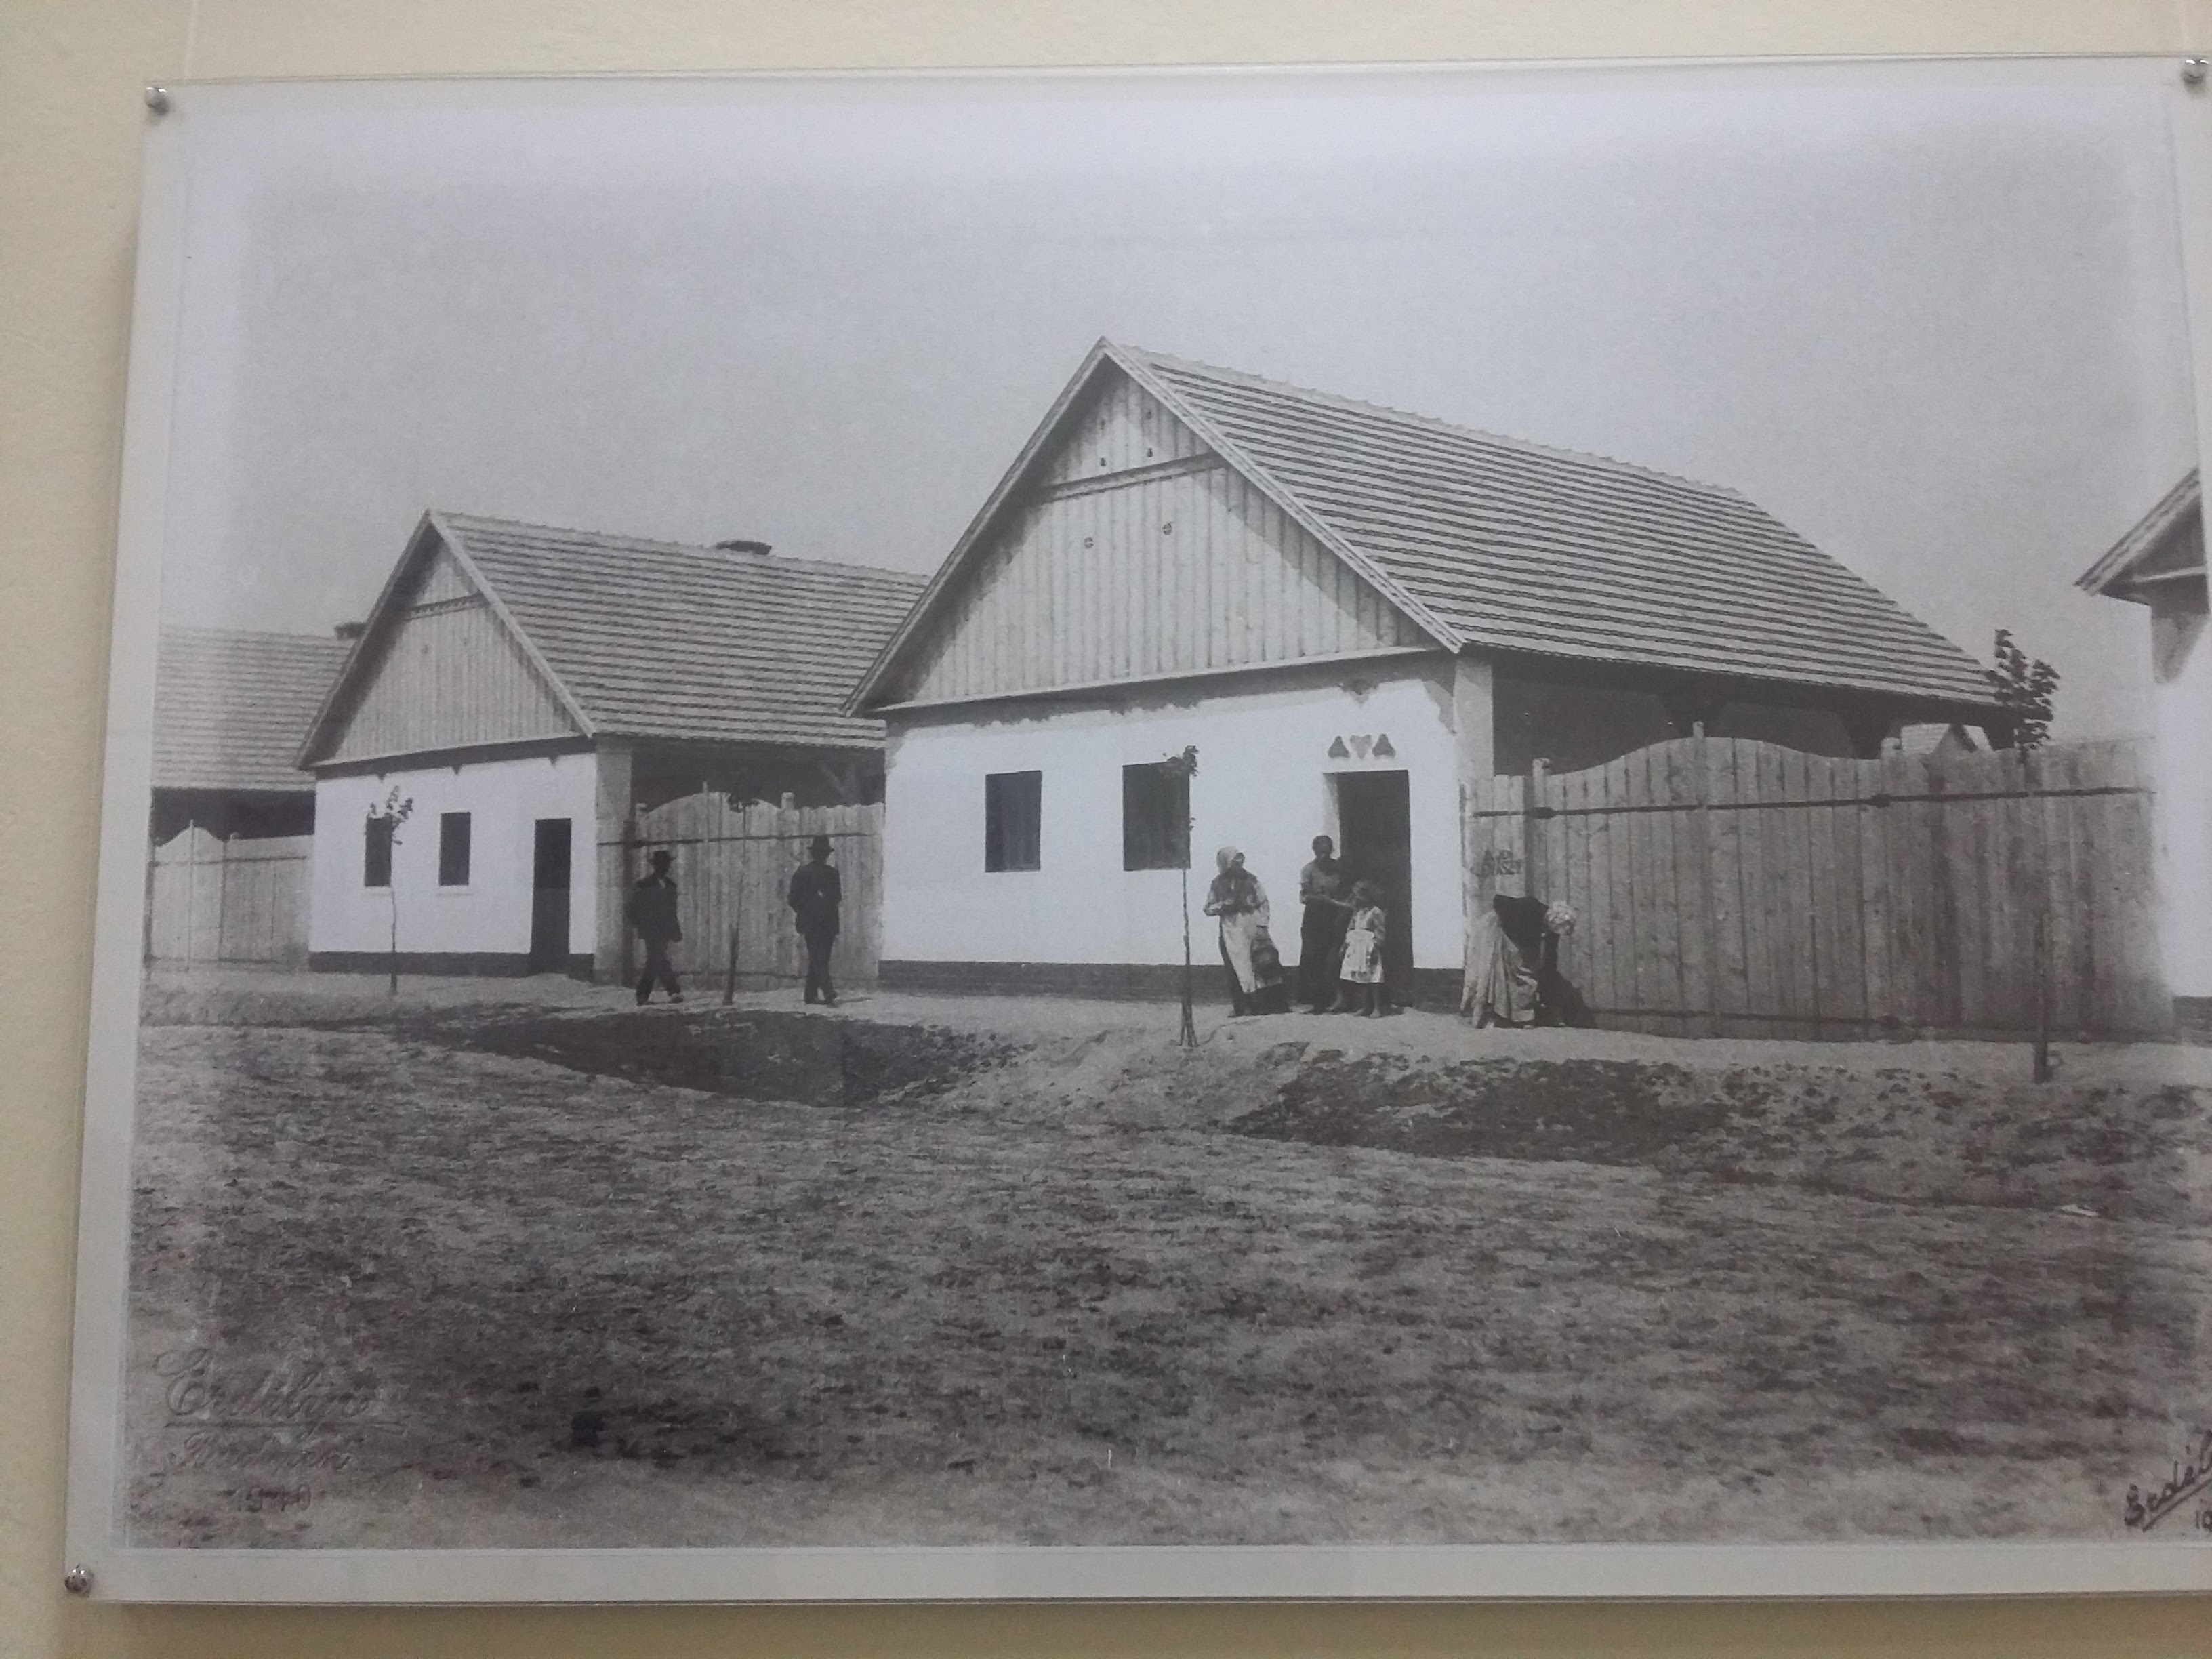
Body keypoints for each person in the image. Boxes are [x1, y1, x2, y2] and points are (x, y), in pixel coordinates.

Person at [1465, 893, 1591, 1027]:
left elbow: (1550, 960)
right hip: (1499, 932)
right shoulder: (1530, 908)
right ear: (1553, 919)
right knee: (1499, 975)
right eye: (1556, 927)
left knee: (1526, 977)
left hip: (1518, 945)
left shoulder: (1552, 932)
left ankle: (1519, 1018)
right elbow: (1499, 901)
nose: (1556, 931)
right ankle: (1492, 1016)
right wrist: (1524, 944)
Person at [1204, 846, 1288, 1016]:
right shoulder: (1217, 883)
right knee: (1237, 967)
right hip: (1230, 928)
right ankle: (1243, 1006)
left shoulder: (1251, 880)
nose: (1238, 865)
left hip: (1251, 924)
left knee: (1261, 963)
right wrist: (1223, 906)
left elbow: (1263, 903)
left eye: (1240, 862)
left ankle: (1267, 1005)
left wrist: (1262, 926)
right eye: (1234, 862)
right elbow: (1208, 908)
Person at [1296, 834, 1353, 1013]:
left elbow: (1348, 892)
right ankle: (1318, 1002)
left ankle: (1340, 999)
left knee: (1334, 958)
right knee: (1314, 958)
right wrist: (1320, 899)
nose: (1323, 855)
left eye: (1326, 851)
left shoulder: (1339, 869)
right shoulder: (1309, 870)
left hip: (1336, 917)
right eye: (1320, 851)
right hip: (1314, 918)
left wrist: (1338, 904)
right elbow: (1304, 897)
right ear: (1314, 851)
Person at [787, 834, 842, 1006]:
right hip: (820, 923)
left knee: (818, 958)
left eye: (823, 853)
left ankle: (810, 995)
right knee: (820, 959)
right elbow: (793, 899)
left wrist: (807, 909)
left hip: (818, 923)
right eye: (821, 853)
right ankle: (829, 991)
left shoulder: (827, 874)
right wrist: (812, 907)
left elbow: (793, 900)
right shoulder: (807, 874)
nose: (822, 856)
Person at [628, 848, 684, 1006]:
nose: (665, 867)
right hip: (651, 931)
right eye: (661, 864)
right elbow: (631, 908)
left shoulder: (671, 886)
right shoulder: (643, 885)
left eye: (666, 864)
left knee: (655, 961)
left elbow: (672, 911)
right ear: (655, 866)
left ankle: (643, 995)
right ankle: (673, 991)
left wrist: (676, 930)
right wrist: (641, 925)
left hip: (664, 931)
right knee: (658, 959)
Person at [1338, 880, 1389, 1016]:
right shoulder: (1358, 913)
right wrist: (1345, 945)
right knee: (1361, 977)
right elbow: (1351, 928)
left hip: (1369, 947)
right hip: (1357, 947)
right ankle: (1365, 1006)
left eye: (1359, 895)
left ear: (1367, 896)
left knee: (1374, 976)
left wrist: (1376, 946)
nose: (1356, 898)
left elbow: (1380, 930)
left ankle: (1377, 1008)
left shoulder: (1376, 912)